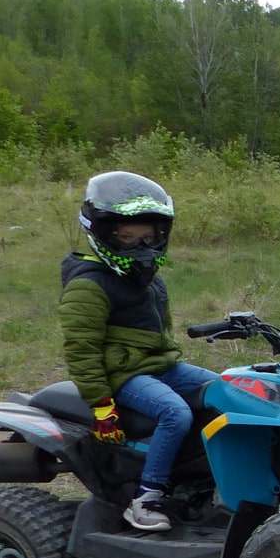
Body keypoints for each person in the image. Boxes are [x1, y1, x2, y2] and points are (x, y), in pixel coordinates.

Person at [59, 170, 217, 532]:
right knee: (175, 413)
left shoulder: (149, 281)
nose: (140, 247)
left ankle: (207, 478)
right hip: (123, 375)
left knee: (228, 390)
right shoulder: (89, 285)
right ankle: (146, 496)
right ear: (103, 233)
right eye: (127, 238)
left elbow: (160, 335)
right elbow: (81, 349)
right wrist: (102, 405)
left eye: (147, 237)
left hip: (159, 366)